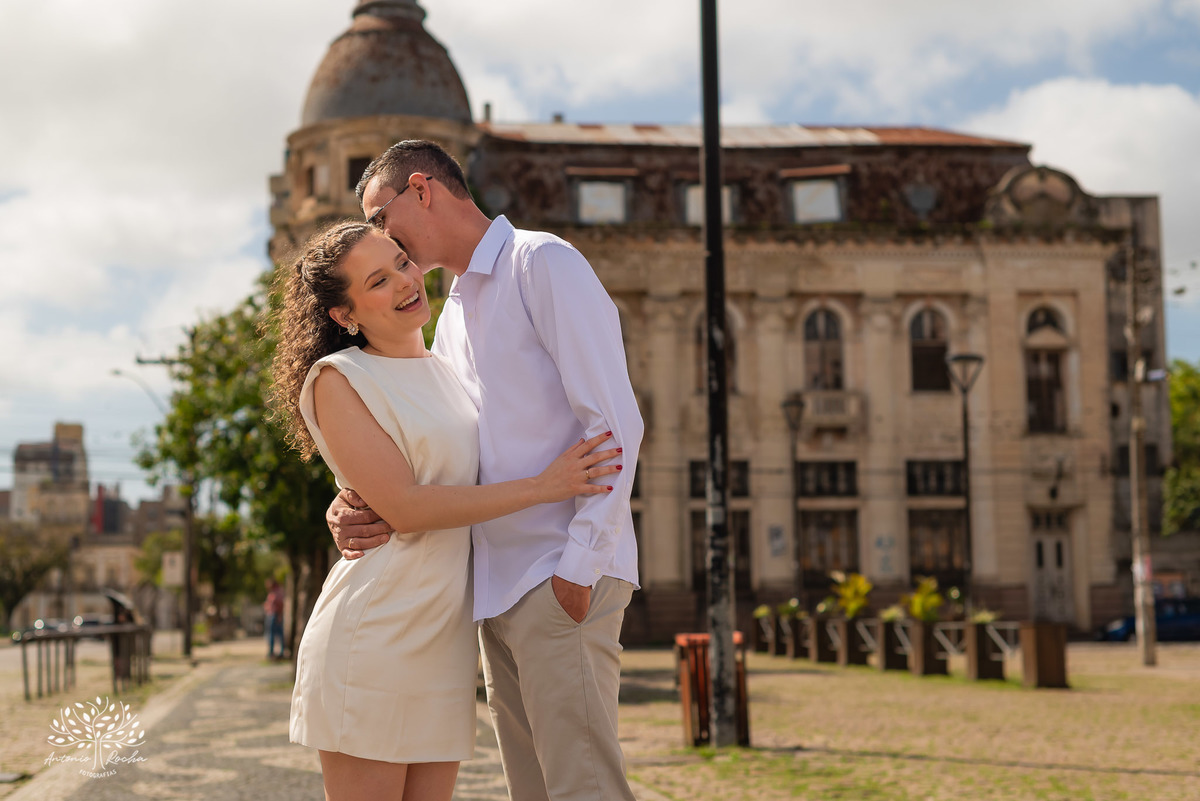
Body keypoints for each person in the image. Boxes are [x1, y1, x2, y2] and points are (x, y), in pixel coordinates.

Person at [328, 140, 643, 801]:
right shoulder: (453, 319)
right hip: (493, 593)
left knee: (585, 790)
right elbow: (437, 454)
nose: (381, 243)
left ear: (422, 189)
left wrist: (578, 568)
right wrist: (351, 501)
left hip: (558, 574)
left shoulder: (542, 263)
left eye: (380, 220)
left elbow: (614, 423)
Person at [263, 578, 285, 660]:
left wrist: (279, 615)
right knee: (270, 635)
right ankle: (271, 652)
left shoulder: (277, 592)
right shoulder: (272, 592)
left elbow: (280, 604)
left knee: (276, 635)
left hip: (275, 615)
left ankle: (280, 652)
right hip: (271, 615)